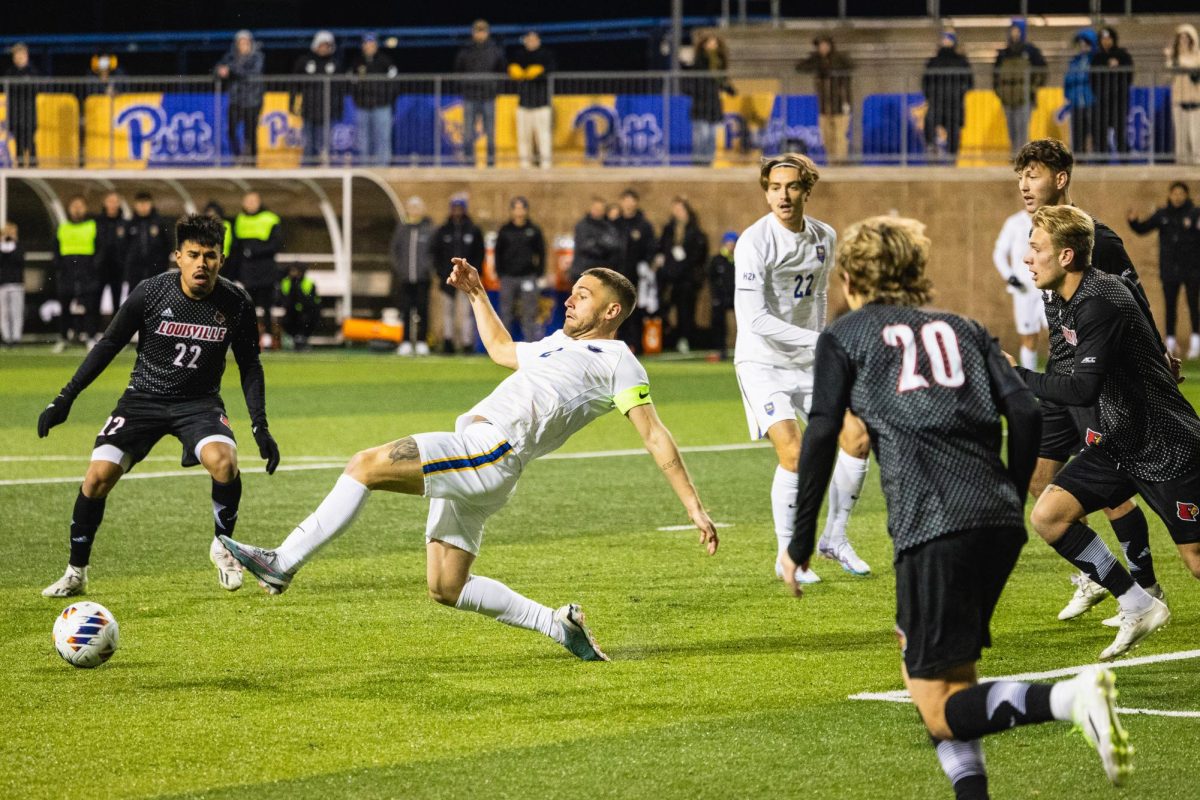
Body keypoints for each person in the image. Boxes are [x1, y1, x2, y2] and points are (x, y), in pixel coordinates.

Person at [782, 214, 1133, 798]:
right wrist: (1011, 488)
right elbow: (1023, 412)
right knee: (948, 681)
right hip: (995, 522)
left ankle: (1071, 698)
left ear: (848, 279)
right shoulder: (965, 326)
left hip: (933, 527)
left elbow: (821, 435)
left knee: (939, 709)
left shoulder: (845, 335)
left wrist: (798, 544)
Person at [218, 263, 718, 662]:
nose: (569, 298)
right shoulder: (557, 344)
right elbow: (501, 349)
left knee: (364, 465)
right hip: (486, 460)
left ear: (611, 312)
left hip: (492, 450)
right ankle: (557, 624)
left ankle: (282, 563)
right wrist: (478, 294)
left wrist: (693, 506)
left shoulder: (619, 361)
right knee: (446, 586)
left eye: (582, 294)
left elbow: (654, 434)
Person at [37, 214, 280, 598]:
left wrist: (260, 427)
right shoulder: (151, 293)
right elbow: (108, 344)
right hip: (143, 400)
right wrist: (65, 398)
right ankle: (76, 572)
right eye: (194, 255)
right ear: (178, 257)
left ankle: (222, 546)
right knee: (97, 477)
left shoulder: (236, 302)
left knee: (225, 462)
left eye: (211, 256)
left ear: (222, 259)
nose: (202, 263)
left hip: (198, 404)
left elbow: (250, 365)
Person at [1010, 204, 1199, 661]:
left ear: (1068, 256)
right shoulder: (1055, 297)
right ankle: (1137, 603)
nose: (1027, 259)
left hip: (1167, 445)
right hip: (1120, 442)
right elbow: (1068, 367)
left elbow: (1082, 385)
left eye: (1036, 249)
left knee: (1196, 560)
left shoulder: (1102, 299)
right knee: (1049, 516)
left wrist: (1016, 375)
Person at [1013, 139, 1170, 627]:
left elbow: (1133, 298)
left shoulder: (1095, 239)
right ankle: (1098, 577)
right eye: (1020, 175)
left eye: (1034, 174)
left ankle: (1143, 585)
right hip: (1058, 381)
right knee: (1041, 482)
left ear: (1061, 179)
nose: (1023, 184)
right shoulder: (1040, 235)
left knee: (1109, 490)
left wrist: (1158, 353)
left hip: (1094, 384)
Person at [734, 153, 872, 584]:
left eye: (792, 186)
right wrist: (822, 341)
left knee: (858, 436)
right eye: (774, 187)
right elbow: (754, 319)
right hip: (763, 362)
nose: (783, 195)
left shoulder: (825, 237)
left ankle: (834, 537)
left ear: (807, 190)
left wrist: (823, 343)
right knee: (794, 453)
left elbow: (819, 298)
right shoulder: (754, 242)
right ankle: (786, 553)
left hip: (810, 361)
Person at [1128, 181, 1200, 358]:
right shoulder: (1163, 214)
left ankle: (1195, 344)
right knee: (1170, 306)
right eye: (1174, 193)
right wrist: (1133, 222)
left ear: (1186, 195)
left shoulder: (1195, 214)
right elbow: (1143, 228)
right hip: (1169, 270)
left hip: (1192, 269)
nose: (1177, 197)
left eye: (1181, 193)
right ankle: (1170, 343)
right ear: (1169, 195)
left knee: (1193, 305)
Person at [992, 206, 1044, 369]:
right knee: (1029, 337)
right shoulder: (1014, 223)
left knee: (1056, 333)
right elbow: (999, 252)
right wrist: (1010, 276)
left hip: (1047, 288)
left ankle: (1059, 377)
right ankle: (1029, 383)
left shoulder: (1049, 222)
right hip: (1024, 291)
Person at [431, 196, 483, 354]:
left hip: (466, 279)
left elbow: (479, 254)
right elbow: (436, 254)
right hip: (448, 278)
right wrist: (441, 273)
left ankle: (466, 343)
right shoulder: (443, 230)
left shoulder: (473, 230)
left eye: (460, 208)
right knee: (447, 311)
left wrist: (473, 272)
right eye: (455, 208)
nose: (457, 211)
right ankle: (448, 342)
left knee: (466, 312)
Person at [656, 197, 707, 354]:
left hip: (687, 280)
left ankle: (685, 339)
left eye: (680, 209)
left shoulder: (695, 232)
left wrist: (684, 261)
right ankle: (669, 339)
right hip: (670, 279)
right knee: (664, 310)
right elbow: (662, 248)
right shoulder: (669, 229)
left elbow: (699, 255)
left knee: (686, 312)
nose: (677, 213)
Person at [231, 190, 283, 344]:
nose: (250, 204)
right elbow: (237, 248)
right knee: (248, 306)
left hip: (266, 269)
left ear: (259, 201)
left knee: (266, 305)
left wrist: (254, 251)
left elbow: (276, 244)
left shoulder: (270, 219)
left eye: (253, 201)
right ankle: (249, 336)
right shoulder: (239, 220)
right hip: (247, 271)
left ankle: (267, 336)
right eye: (248, 201)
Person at [454, 19, 506, 168]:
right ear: (473, 32)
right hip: (470, 96)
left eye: (483, 30)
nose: (480, 33)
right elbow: (458, 70)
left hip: (488, 96)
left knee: (490, 133)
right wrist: (463, 88)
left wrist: (496, 89)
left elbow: (502, 70)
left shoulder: (496, 50)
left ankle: (490, 163)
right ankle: (469, 163)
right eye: (477, 30)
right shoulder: (465, 51)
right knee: (468, 133)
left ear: (487, 32)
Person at [52, 196, 101, 352]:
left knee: (90, 307)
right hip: (67, 272)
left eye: (80, 206)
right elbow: (56, 249)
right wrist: (60, 266)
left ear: (85, 208)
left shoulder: (93, 226)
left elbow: (101, 248)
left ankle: (91, 337)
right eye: (74, 206)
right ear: (69, 208)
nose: (77, 209)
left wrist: (94, 266)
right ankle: (63, 338)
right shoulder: (62, 227)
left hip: (87, 271)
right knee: (65, 307)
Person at [494, 196, 546, 341]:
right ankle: (505, 344)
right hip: (508, 277)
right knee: (506, 312)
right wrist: (500, 273)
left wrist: (539, 273)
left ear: (526, 210)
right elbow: (498, 252)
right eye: (516, 208)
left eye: (522, 208)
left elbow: (541, 252)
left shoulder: (533, 230)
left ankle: (530, 344)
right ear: (511, 210)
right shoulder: (505, 230)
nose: (519, 212)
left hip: (528, 276)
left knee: (529, 312)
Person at [794, 35, 852, 162]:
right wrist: (816, 61)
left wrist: (846, 103)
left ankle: (841, 161)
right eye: (820, 45)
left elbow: (849, 69)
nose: (823, 48)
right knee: (826, 137)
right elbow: (800, 67)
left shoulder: (839, 60)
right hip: (824, 106)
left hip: (840, 105)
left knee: (840, 136)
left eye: (825, 45)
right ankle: (832, 161)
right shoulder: (817, 61)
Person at [390, 196, 435, 356]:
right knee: (406, 311)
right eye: (412, 207)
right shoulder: (402, 229)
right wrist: (400, 270)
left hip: (423, 279)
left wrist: (428, 269)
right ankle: (406, 341)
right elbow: (394, 252)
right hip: (405, 279)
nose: (415, 211)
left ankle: (422, 341)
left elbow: (433, 253)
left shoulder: (428, 229)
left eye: (418, 207)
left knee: (423, 310)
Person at [993, 19, 1047, 155]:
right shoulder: (1004, 53)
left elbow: (1042, 71)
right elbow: (995, 76)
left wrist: (1032, 89)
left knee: (1022, 129)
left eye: (1017, 31)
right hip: (1008, 99)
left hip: (1025, 98)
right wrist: (1001, 92)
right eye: (1013, 30)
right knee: (1012, 130)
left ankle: (1022, 157)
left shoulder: (1031, 51)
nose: (1014, 34)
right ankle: (1015, 155)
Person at [613, 188, 656, 353]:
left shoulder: (644, 225)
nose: (629, 203)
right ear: (622, 201)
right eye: (626, 199)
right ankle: (620, 345)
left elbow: (651, 247)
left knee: (636, 311)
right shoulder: (615, 224)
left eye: (632, 200)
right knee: (618, 310)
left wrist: (646, 264)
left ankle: (636, 345)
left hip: (637, 277)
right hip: (617, 276)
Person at [682, 33, 734, 167]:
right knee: (702, 135)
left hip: (713, 103)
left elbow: (721, 82)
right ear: (704, 45)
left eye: (715, 43)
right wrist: (692, 91)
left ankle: (708, 163)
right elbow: (689, 80)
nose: (712, 45)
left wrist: (729, 89)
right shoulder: (699, 62)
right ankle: (699, 162)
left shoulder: (719, 64)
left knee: (711, 135)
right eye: (710, 43)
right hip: (700, 102)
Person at [290, 30, 342, 165]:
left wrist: (339, 108)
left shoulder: (335, 63)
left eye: (327, 45)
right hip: (308, 109)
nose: (324, 48)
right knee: (308, 144)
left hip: (327, 111)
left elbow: (340, 88)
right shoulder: (305, 61)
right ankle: (307, 172)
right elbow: (295, 83)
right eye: (321, 45)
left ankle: (325, 171)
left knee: (324, 144)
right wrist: (292, 102)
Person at [347, 32, 399, 167]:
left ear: (376, 45)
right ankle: (365, 169)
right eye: (366, 43)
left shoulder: (385, 61)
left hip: (381, 106)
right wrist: (357, 100)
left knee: (383, 137)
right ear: (363, 46)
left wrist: (388, 99)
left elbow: (394, 82)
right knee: (363, 139)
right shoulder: (357, 62)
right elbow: (350, 82)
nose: (369, 46)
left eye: (372, 43)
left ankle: (383, 167)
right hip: (362, 106)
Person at [921, 30, 973, 159]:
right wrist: (930, 95)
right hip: (937, 100)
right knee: (929, 121)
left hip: (954, 102)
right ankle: (931, 148)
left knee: (954, 129)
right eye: (944, 39)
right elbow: (925, 81)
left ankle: (952, 156)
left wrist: (959, 92)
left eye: (949, 39)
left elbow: (969, 82)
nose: (946, 41)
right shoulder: (933, 61)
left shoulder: (961, 61)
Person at [215, 30, 264, 165]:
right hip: (235, 99)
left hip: (252, 100)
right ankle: (238, 156)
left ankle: (253, 161)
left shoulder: (257, 57)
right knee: (231, 130)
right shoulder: (230, 56)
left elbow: (252, 73)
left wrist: (230, 71)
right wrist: (220, 71)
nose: (243, 45)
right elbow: (218, 69)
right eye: (240, 43)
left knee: (251, 132)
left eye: (245, 42)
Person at [508, 30, 555, 169]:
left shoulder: (547, 55)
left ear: (538, 40)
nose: (531, 41)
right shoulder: (519, 55)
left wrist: (540, 72)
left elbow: (551, 68)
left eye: (534, 39)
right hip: (524, 103)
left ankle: (546, 164)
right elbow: (509, 66)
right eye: (528, 39)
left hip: (542, 103)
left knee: (543, 136)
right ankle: (525, 164)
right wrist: (512, 69)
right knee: (524, 137)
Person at [1090, 27, 1133, 158]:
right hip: (1102, 101)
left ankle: (1124, 158)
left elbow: (1129, 75)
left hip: (1118, 100)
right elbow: (1092, 78)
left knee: (1120, 130)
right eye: (1103, 39)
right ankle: (1101, 158)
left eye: (1109, 38)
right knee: (1100, 131)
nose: (1106, 41)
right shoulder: (1097, 58)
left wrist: (1118, 66)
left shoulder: (1123, 55)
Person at [123, 191, 172, 301]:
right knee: (134, 301)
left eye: (146, 203)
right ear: (135, 205)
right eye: (140, 204)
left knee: (157, 300)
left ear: (151, 204)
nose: (143, 207)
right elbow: (123, 248)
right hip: (135, 272)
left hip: (156, 270)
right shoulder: (130, 224)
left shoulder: (160, 223)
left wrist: (161, 263)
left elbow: (168, 244)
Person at [1167, 24, 1200, 165]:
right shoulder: (1174, 58)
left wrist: (1185, 66)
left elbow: (1195, 73)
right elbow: (1170, 73)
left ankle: (1196, 159)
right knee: (1180, 133)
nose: (1184, 40)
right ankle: (1182, 160)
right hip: (1178, 98)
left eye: (1187, 37)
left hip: (1195, 99)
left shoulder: (1197, 56)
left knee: (1195, 133)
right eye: (1181, 37)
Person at [1064, 29, 1098, 158]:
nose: (1083, 46)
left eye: (1086, 43)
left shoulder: (1095, 60)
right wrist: (1068, 94)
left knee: (1094, 130)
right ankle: (1080, 157)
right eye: (1081, 43)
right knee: (1078, 131)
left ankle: (1096, 157)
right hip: (1076, 102)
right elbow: (1068, 79)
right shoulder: (1074, 62)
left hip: (1091, 101)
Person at [571, 197, 621, 283]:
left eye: (600, 209)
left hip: (601, 274)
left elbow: (615, 245)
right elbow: (585, 246)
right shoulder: (582, 226)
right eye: (596, 208)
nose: (598, 211)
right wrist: (603, 246)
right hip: (582, 272)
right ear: (591, 208)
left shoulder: (608, 227)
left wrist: (596, 242)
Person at [4, 43, 38, 167]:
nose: (17, 57)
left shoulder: (33, 72)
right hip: (15, 114)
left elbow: (35, 88)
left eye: (19, 54)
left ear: (25, 55)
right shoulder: (10, 72)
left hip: (29, 114)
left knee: (29, 142)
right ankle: (20, 167)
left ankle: (34, 166)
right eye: (15, 55)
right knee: (18, 143)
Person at [94, 191, 127, 318]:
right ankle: (92, 333)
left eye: (115, 201)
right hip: (100, 267)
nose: (113, 204)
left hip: (118, 268)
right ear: (104, 203)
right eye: (110, 201)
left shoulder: (124, 224)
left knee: (117, 302)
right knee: (95, 300)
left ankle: (115, 334)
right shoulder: (97, 223)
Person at [707, 231, 736, 360]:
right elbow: (711, 279)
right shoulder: (717, 260)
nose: (731, 246)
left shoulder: (739, 260)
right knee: (719, 325)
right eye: (728, 243)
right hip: (720, 297)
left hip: (736, 296)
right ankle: (720, 350)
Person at [279, 262, 320, 350]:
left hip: (306, 312)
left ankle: (302, 338)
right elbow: (283, 302)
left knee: (307, 317)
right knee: (287, 319)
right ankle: (296, 338)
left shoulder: (309, 283)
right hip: (291, 312)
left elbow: (312, 302)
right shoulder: (285, 283)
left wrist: (298, 288)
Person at [0, 222, 26, 345]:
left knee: (16, 312)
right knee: (4, 313)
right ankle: (6, 337)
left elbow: (19, 260)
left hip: (16, 283)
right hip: (2, 284)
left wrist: (13, 244)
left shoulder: (19, 246)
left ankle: (16, 337)